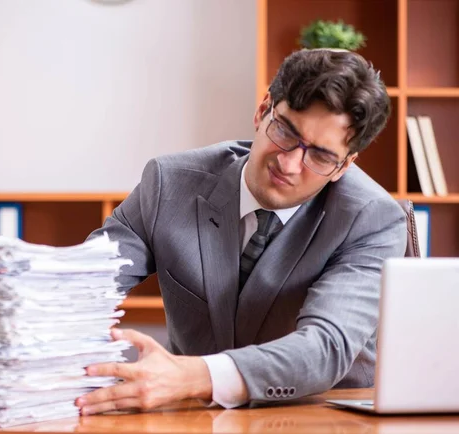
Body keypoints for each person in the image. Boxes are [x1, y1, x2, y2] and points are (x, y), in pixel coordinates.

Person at [75, 48, 407, 416]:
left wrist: (194, 375)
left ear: (344, 165)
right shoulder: (169, 184)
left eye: (321, 156)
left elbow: (325, 347)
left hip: (324, 416)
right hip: (195, 418)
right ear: (263, 110)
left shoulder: (372, 219)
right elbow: (80, 284)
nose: (289, 163)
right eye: (285, 131)